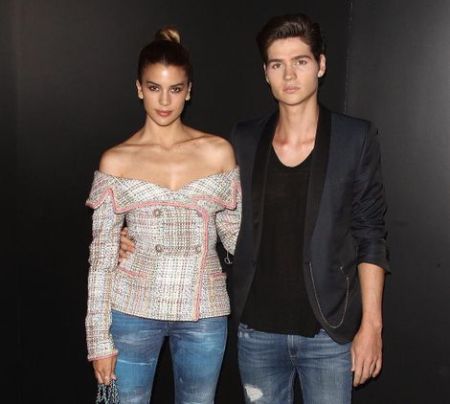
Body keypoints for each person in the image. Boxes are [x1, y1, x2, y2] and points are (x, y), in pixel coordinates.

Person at [120, 13, 389, 404]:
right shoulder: (243, 140)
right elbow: (206, 209)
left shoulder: (354, 138)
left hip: (328, 332)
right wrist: (133, 235)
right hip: (257, 333)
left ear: (321, 65)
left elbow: (371, 234)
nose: (289, 75)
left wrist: (372, 327)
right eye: (277, 64)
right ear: (266, 73)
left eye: (300, 61)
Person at [85, 26, 241, 404]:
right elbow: (101, 260)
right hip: (132, 308)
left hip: (204, 310)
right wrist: (98, 340)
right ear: (139, 88)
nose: (165, 100)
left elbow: (238, 240)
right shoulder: (116, 160)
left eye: (175, 88)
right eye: (154, 87)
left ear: (189, 91)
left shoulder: (218, 152)